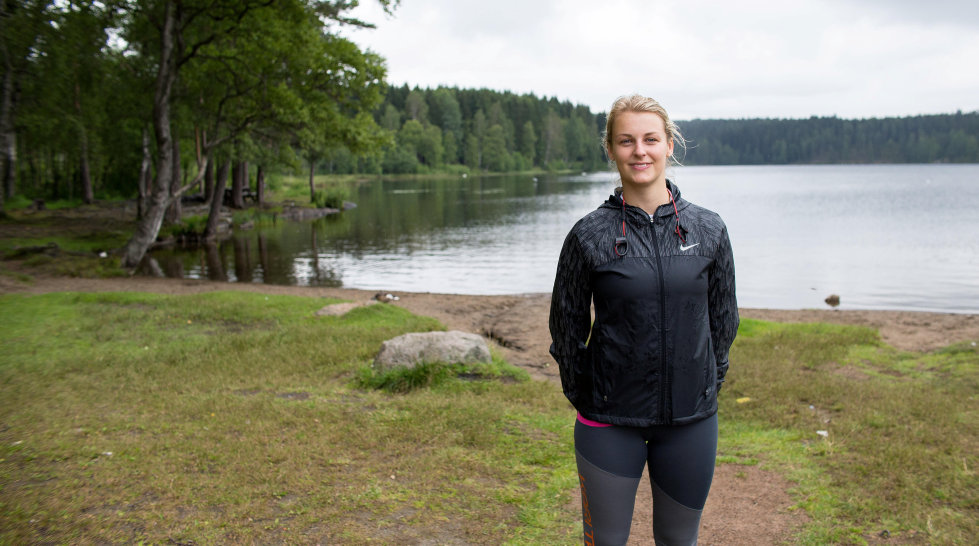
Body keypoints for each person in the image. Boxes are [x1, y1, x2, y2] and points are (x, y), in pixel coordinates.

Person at [549, 94, 739, 546]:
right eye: (627, 141)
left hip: (691, 421)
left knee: (679, 541)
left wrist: (706, 381)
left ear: (669, 145)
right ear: (611, 150)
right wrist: (587, 393)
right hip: (609, 422)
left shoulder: (708, 229)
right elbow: (567, 325)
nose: (640, 151)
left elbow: (724, 318)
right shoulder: (588, 234)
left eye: (651, 139)